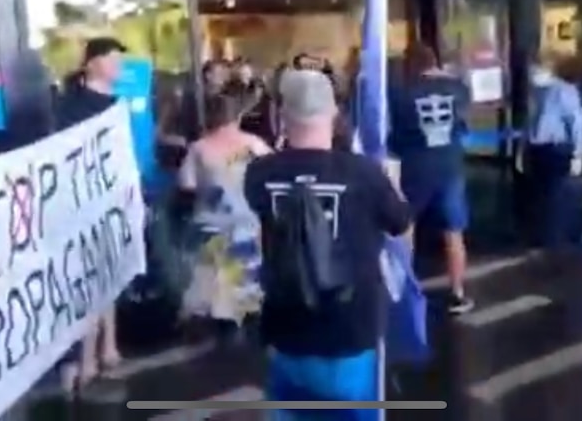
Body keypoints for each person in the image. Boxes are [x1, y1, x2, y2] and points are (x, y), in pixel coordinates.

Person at [244, 69, 411, 411]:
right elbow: (400, 223)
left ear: (282, 116)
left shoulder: (259, 173)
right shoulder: (364, 173)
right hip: (349, 328)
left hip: (285, 326)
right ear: (334, 114)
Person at [54, 36, 126, 390]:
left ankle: (108, 346)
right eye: (113, 59)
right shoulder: (70, 106)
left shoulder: (115, 103)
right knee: (89, 280)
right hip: (82, 205)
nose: (119, 67)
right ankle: (85, 358)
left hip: (112, 199)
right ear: (93, 63)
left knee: (110, 273)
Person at [388, 43, 473, 314]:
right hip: (450, 167)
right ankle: (458, 293)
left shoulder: (400, 94)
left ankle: (403, 290)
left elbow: (395, 135)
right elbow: (462, 125)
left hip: (415, 167)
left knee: (407, 228)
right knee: (454, 232)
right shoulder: (459, 89)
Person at [177, 93, 271, 331]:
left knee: (211, 271)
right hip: (248, 224)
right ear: (236, 117)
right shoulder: (254, 144)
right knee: (247, 272)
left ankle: (217, 316)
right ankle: (247, 310)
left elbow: (186, 184)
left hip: (211, 224)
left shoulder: (198, 148)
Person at [524, 52, 582, 247]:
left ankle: (549, 237)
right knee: (551, 194)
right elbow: (574, 123)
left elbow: (574, 123)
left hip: (546, 148)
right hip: (548, 149)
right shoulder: (556, 92)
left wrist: (578, 154)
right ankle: (555, 237)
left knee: (548, 194)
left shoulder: (553, 90)